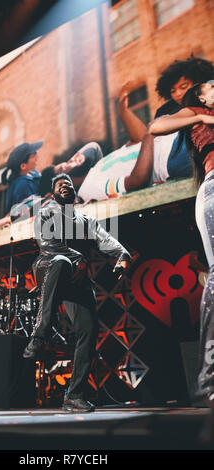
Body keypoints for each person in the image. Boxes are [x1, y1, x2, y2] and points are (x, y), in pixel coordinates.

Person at [22, 173, 131, 412]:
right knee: (61, 259)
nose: (65, 186)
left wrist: (124, 255)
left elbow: (105, 239)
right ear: (53, 193)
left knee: (89, 332)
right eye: (60, 185)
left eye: (69, 184)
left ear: (74, 191)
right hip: (49, 268)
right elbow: (46, 245)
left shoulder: (86, 220)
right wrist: (77, 256)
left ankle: (74, 395)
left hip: (76, 280)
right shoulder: (46, 213)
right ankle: (41, 333)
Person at [148, 80, 214, 441]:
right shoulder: (198, 113)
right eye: (212, 86)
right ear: (202, 97)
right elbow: (156, 126)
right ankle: (210, 379)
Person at [79, 57, 214, 201]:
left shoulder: (105, 161)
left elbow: (142, 137)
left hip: (177, 140)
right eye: (64, 167)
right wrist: (151, 133)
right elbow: (137, 180)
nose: (73, 160)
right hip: (171, 159)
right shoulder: (88, 188)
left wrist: (123, 112)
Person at [0, 141, 103, 234]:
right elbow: (22, 211)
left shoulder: (36, 178)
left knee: (35, 205)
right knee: (29, 206)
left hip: (41, 212)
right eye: (33, 155)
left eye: (75, 161)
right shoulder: (22, 184)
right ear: (23, 166)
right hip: (30, 215)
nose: (36, 156)